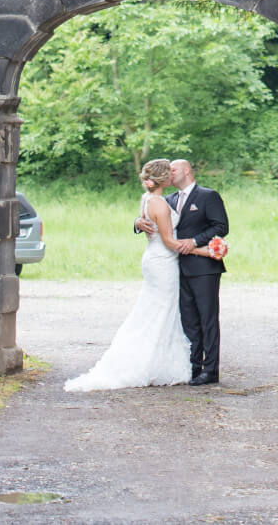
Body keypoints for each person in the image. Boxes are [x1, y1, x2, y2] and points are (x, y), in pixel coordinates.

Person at [64, 159, 191, 391]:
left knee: (154, 311)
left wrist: (137, 222)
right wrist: (199, 247)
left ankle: (158, 361)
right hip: (163, 261)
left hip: (154, 258)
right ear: (164, 179)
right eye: (170, 173)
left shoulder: (147, 199)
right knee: (160, 311)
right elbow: (169, 241)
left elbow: (146, 223)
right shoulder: (160, 205)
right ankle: (150, 364)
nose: (174, 175)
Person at [165, 157, 229, 386]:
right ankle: (193, 367)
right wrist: (136, 222)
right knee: (188, 320)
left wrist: (194, 241)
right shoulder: (168, 199)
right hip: (177, 268)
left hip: (204, 268)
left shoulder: (207, 196)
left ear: (187, 170)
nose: (169, 173)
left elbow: (221, 226)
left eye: (173, 169)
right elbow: (154, 217)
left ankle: (210, 370)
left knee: (207, 319)